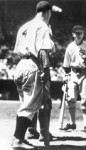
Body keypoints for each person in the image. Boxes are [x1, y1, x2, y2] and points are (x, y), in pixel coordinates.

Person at [11, 1, 56, 149]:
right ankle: (17, 140)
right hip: (32, 65)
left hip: (20, 65)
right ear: (48, 12)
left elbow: (17, 50)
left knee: (25, 104)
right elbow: (42, 51)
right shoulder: (42, 25)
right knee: (29, 107)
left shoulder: (24, 26)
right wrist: (46, 70)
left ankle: (20, 138)